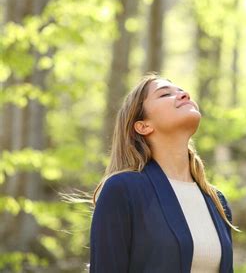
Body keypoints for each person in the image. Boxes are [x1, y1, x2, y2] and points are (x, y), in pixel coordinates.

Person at [89, 73, 238, 273]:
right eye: (165, 94)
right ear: (143, 126)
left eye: (182, 91)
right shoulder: (123, 190)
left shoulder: (217, 200)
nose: (184, 94)